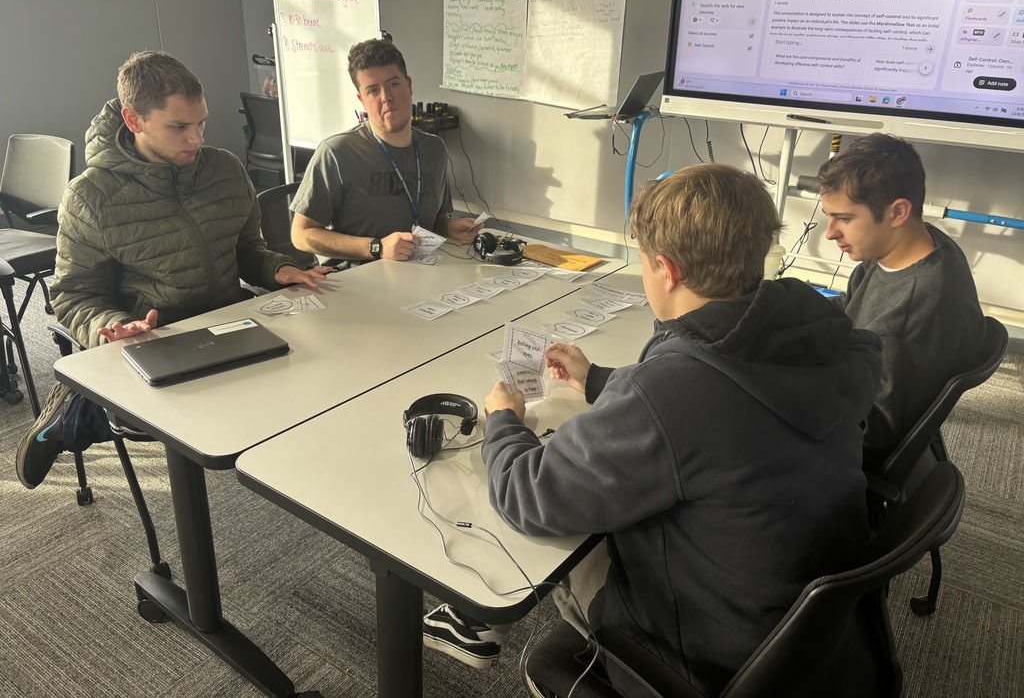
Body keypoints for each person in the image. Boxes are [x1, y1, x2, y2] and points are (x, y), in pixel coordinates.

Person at [422, 164, 883, 697]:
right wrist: (597, 379)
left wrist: (503, 421)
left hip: (705, 656)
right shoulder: (824, 335)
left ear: (665, 269)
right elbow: (724, 387)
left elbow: (528, 494)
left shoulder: (668, 393)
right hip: (803, 631)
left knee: (554, 529)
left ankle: (476, 616)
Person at [16, 50, 328, 489]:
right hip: (155, 335)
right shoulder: (91, 196)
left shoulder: (223, 167)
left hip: (226, 321)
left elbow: (247, 249)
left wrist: (278, 269)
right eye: (179, 127)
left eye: (201, 122)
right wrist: (114, 323)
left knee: (310, 378)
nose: (197, 138)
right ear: (134, 119)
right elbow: (73, 295)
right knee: (191, 425)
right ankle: (76, 414)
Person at [816, 133, 986, 468]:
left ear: (897, 212)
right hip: (851, 373)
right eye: (828, 216)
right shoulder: (913, 244)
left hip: (847, 447)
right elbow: (851, 307)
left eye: (844, 218)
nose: (830, 232)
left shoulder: (907, 321)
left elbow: (870, 437)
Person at [290, 38, 480, 267]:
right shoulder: (338, 153)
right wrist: (376, 247)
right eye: (373, 90)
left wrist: (450, 228)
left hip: (421, 271)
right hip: (357, 280)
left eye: (393, 84)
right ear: (362, 100)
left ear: (409, 85)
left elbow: (435, 220)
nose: (386, 97)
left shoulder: (434, 150)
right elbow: (301, 235)